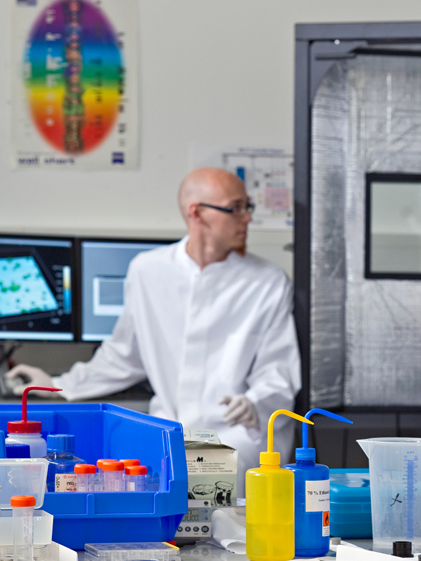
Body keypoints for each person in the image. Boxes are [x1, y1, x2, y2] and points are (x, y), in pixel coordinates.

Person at [8, 168, 301, 492]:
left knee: (217, 502)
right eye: (236, 208)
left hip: (235, 438)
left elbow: (279, 373)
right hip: (168, 432)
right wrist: (57, 385)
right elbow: (123, 356)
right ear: (197, 212)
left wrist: (254, 402)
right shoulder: (148, 271)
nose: (247, 219)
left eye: (249, 207)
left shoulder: (267, 282)